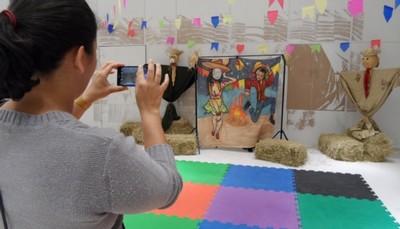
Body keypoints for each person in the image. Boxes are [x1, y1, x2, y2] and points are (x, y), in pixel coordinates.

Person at [0, 1, 182, 229]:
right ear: (79, 57)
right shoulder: (103, 152)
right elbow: (168, 188)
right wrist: (150, 111)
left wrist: (86, 98)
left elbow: (44, 132)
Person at [202, 59, 236, 140]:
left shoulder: (221, 84)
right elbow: (213, 98)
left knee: (220, 119)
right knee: (215, 118)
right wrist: (217, 110)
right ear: (212, 73)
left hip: (220, 103)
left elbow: (234, 80)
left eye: (219, 72)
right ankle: (214, 128)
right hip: (214, 103)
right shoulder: (211, 85)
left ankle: (217, 132)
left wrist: (226, 76)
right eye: (216, 72)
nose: (218, 74)